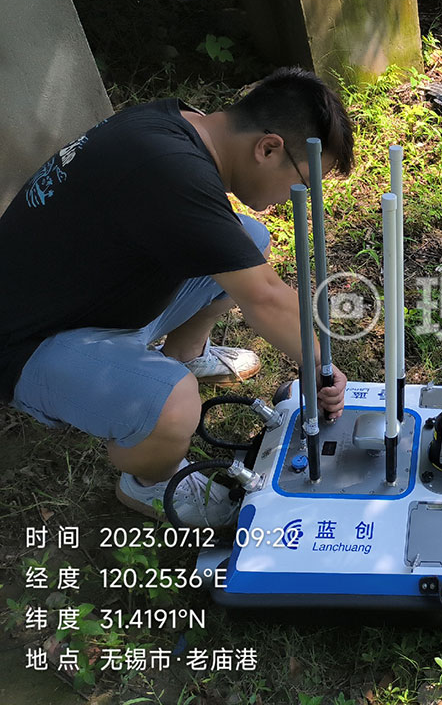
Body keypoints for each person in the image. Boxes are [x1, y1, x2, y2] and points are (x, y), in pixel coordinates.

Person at [0, 66, 352, 527]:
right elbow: (265, 297)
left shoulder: (174, 127)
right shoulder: (169, 169)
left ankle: (185, 354)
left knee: (250, 239)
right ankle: (149, 482)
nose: (297, 197)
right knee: (175, 404)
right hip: (28, 340)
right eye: (302, 181)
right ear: (268, 148)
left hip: (88, 301)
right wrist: (322, 366)